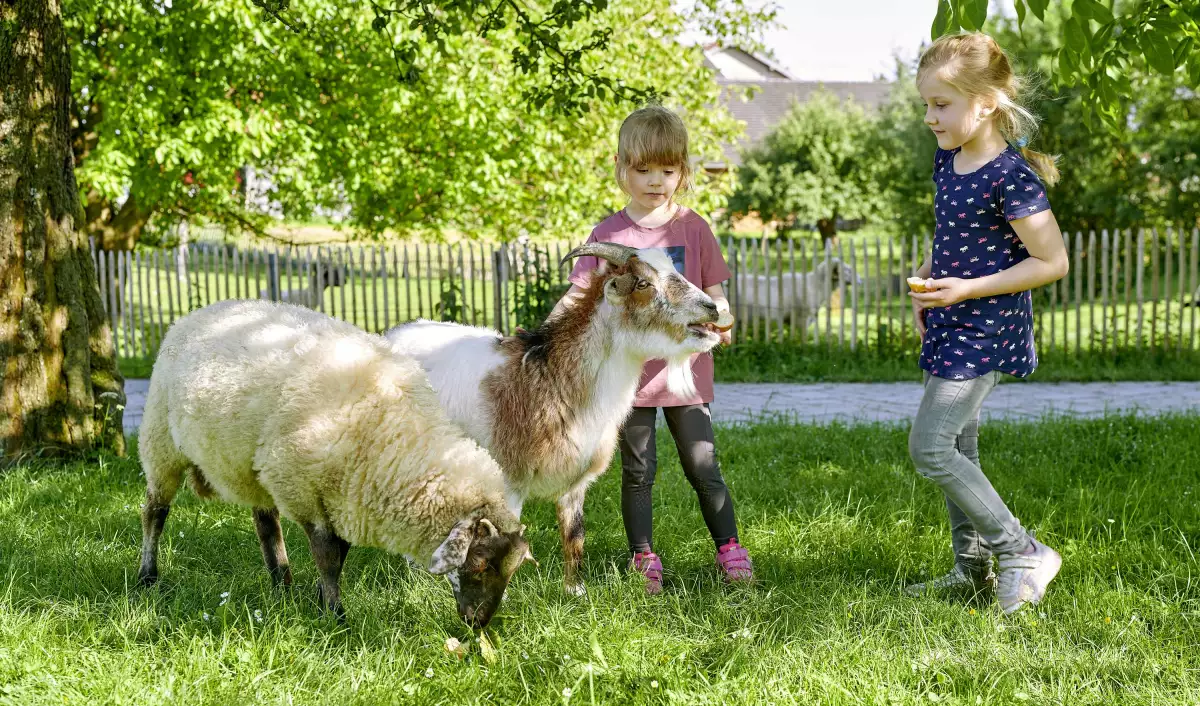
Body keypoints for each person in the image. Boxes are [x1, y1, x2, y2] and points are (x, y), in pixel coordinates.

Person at [554, 104, 753, 594]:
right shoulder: (609, 235)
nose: (656, 180)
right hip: (631, 381)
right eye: (643, 170)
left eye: (668, 170)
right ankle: (643, 556)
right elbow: (582, 297)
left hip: (686, 377)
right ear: (621, 167)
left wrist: (724, 320)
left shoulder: (694, 228)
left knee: (703, 464)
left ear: (682, 171)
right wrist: (550, 332)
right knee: (637, 468)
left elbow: (715, 292)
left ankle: (729, 547)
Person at [905, 32, 1070, 614]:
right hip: (951, 320)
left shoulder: (1011, 177)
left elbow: (1052, 262)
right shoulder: (948, 162)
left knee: (930, 448)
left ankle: (1021, 550)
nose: (930, 117)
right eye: (925, 104)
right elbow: (953, 235)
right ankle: (970, 569)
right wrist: (927, 280)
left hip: (986, 329)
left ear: (987, 102)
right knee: (960, 447)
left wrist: (968, 290)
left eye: (941, 104)